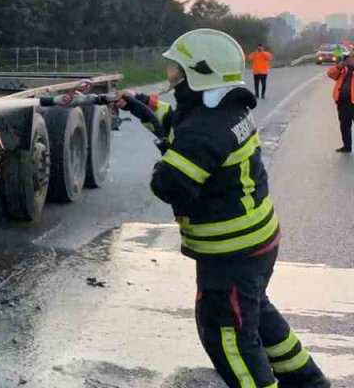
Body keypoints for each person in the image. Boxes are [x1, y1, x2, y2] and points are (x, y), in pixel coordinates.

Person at [117, 29, 329, 388]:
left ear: (198, 73)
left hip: (230, 253)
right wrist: (140, 103)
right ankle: (307, 381)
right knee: (256, 314)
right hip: (255, 242)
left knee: (227, 337)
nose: (171, 75)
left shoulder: (204, 129)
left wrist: (165, 158)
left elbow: (169, 183)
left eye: (177, 69)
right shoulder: (224, 108)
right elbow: (179, 124)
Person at [329, 51, 354, 153]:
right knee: (344, 126)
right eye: (349, 58)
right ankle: (347, 146)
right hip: (343, 102)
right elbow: (331, 74)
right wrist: (340, 66)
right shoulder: (343, 68)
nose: (350, 60)